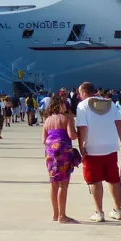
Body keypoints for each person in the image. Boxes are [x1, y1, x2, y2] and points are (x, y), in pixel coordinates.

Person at [75, 81, 121, 222]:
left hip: (92, 149)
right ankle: (118, 210)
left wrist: (81, 146)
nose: (79, 96)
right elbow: (119, 125)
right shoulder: (110, 104)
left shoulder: (82, 106)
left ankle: (99, 212)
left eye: (80, 93)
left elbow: (82, 128)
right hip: (110, 148)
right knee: (113, 179)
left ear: (84, 92)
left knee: (94, 181)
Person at [42, 93, 79, 224]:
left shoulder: (47, 120)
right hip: (62, 151)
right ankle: (62, 216)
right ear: (60, 104)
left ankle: (55, 214)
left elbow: (43, 139)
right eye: (64, 103)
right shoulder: (66, 118)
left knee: (53, 183)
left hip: (49, 153)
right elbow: (72, 136)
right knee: (63, 184)